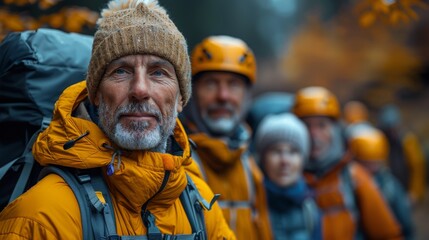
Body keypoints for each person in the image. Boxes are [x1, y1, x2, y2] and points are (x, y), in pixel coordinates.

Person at [0, 0, 235, 239]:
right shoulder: (42, 216)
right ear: (96, 95)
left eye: (158, 72)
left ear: (180, 99)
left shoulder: (201, 205)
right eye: (121, 71)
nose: (140, 89)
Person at [180, 35, 272, 239]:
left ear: (248, 95)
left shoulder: (253, 166)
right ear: (191, 91)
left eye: (234, 85)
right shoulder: (174, 160)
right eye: (211, 84)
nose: (223, 96)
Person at [292, 86, 402, 240]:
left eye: (322, 125)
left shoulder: (353, 177)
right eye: (306, 125)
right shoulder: (284, 178)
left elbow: (388, 235)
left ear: (335, 129)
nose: (313, 134)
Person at [254, 113, 322, 240]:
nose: (285, 161)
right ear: (263, 159)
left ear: (303, 159)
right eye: (276, 151)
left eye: (293, 152)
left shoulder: (310, 209)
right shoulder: (251, 205)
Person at [349, 128, 415, 240]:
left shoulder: (390, 186)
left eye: (375, 163)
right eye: (365, 164)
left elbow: (406, 225)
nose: (371, 168)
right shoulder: (349, 185)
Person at [378, 104, 426, 205]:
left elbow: (417, 168)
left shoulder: (408, 141)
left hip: (409, 191)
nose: (392, 133)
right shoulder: (385, 143)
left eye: (394, 129)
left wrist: (414, 193)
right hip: (394, 190)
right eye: (389, 130)